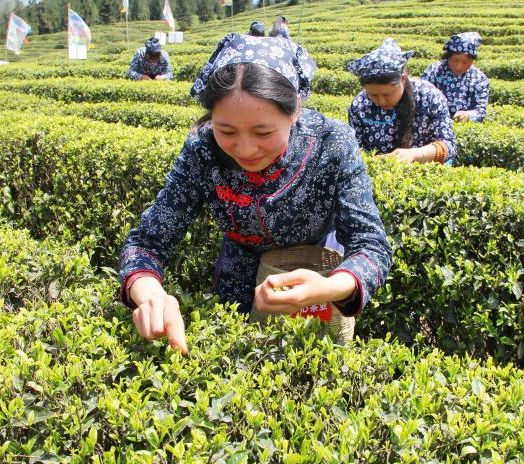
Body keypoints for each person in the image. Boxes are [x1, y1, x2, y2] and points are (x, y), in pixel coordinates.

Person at [119, 34, 392, 353]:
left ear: (295, 111)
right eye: (226, 131)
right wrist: (150, 294)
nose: (245, 149)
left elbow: (370, 244)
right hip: (238, 273)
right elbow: (147, 241)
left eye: (263, 132)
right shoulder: (201, 151)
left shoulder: (333, 144)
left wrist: (331, 286)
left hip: (315, 273)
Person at [347, 38, 456, 164]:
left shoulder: (429, 96)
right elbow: (356, 152)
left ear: (403, 79)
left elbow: (449, 147)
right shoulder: (359, 106)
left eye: (388, 94)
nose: (381, 101)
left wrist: (416, 154)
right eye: (373, 95)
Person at [421, 32, 489, 123]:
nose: (459, 66)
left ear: (472, 61)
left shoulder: (479, 79)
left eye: (465, 62)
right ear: (448, 57)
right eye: (455, 60)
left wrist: (468, 115)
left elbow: (480, 111)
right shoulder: (432, 72)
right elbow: (420, 102)